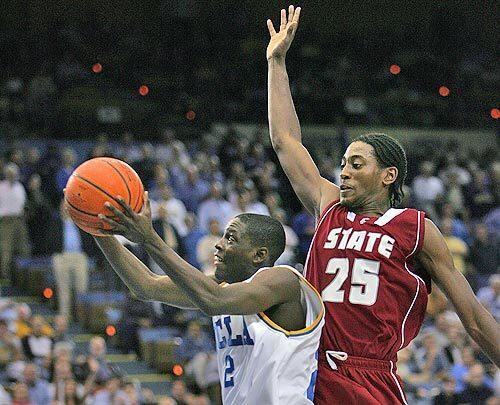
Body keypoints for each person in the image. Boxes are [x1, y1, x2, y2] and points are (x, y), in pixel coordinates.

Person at [266, 5, 500, 404]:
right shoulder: (328, 206)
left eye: (356, 164)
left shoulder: (415, 228)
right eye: (341, 164)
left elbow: (474, 319)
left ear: (388, 175)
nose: (343, 172)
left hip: (370, 374)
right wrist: (277, 63)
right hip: (311, 367)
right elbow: (286, 142)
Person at [87, 192, 324, 404]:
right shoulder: (220, 287)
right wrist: (96, 227)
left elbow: (214, 300)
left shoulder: (284, 281)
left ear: (259, 255)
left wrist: (149, 238)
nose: (218, 245)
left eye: (231, 239)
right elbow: (146, 286)